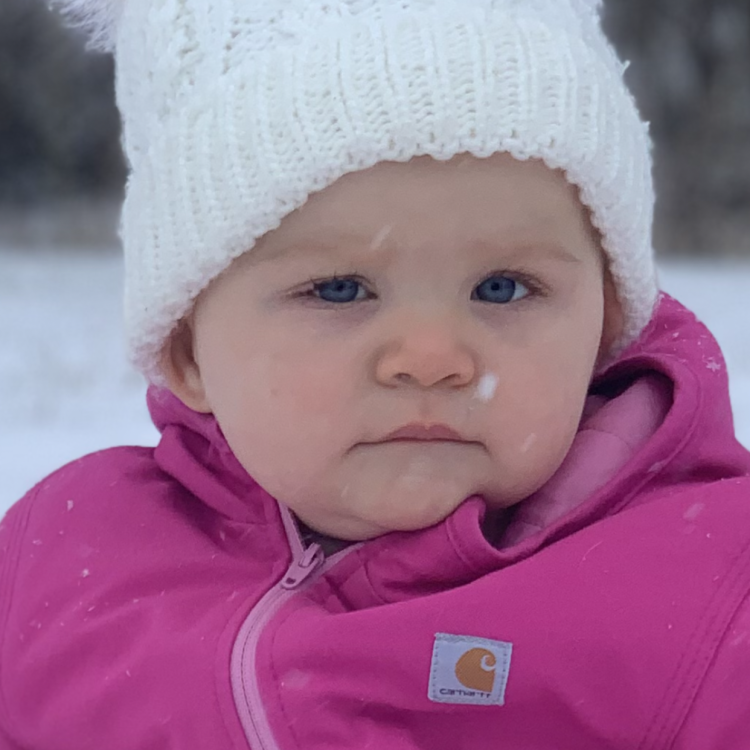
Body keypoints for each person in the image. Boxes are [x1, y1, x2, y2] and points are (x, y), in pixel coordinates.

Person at [2, 0, 750, 747]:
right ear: (188, 352)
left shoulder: (712, 599)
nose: (430, 358)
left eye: (502, 287)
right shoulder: (61, 573)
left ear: (603, 323)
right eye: (338, 289)